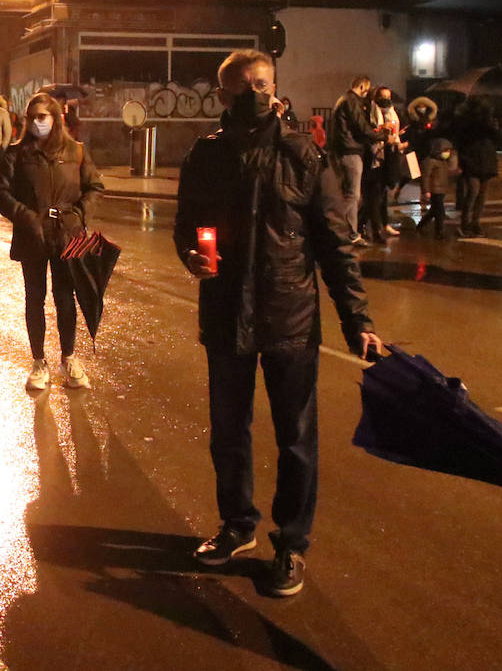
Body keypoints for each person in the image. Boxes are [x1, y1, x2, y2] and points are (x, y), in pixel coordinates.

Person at [175, 49, 381, 598]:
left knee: (296, 438)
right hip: (226, 316)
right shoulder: (206, 155)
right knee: (228, 431)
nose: (256, 94)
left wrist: (357, 320)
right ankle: (237, 525)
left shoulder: (304, 155)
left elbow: (335, 245)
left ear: (276, 87)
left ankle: (291, 544)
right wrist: (191, 255)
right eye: (244, 87)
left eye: (263, 84)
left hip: (290, 317)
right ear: (223, 94)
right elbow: (186, 226)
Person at [0, 93, 104, 391]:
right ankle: (38, 362)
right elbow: (2, 194)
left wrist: (79, 214)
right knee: (35, 298)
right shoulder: (16, 154)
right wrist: (28, 218)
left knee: (66, 298)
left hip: (68, 235)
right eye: (32, 118)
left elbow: (94, 187)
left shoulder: (76, 151)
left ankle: (68, 358)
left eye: (42, 117)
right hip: (33, 236)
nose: (36, 123)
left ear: (56, 118)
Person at [328, 76, 380, 245]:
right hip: (350, 151)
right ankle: (351, 233)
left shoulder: (344, 100)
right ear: (362, 86)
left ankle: (344, 230)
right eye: (367, 88)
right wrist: (382, 135)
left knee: (348, 194)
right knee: (353, 195)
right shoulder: (351, 101)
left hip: (343, 150)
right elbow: (361, 127)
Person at [359, 86, 403, 245]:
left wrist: (396, 138)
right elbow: (368, 133)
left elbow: (394, 132)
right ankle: (375, 230)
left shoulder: (392, 113)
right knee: (374, 196)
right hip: (374, 158)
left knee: (379, 196)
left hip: (387, 157)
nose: (386, 99)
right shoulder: (369, 113)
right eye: (383, 96)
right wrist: (382, 130)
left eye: (388, 96)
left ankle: (363, 225)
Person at [451, 96, 500, 238]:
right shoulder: (466, 123)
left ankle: (475, 222)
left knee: (481, 194)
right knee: (473, 192)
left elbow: (499, 141)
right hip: (471, 160)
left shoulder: (489, 122)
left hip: (486, 160)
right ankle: (465, 223)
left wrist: (495, 129)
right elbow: (461, 141)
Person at [416, 137, 456, 239]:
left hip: (441, 190)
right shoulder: (430, 161)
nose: (448, 153)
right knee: (440, 212)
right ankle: (439, 232)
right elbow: (425, 177)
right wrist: (426, 191)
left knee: (434, 210)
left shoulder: (443, 162)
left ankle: (421, 225)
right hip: (434, 190)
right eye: (446, 150)